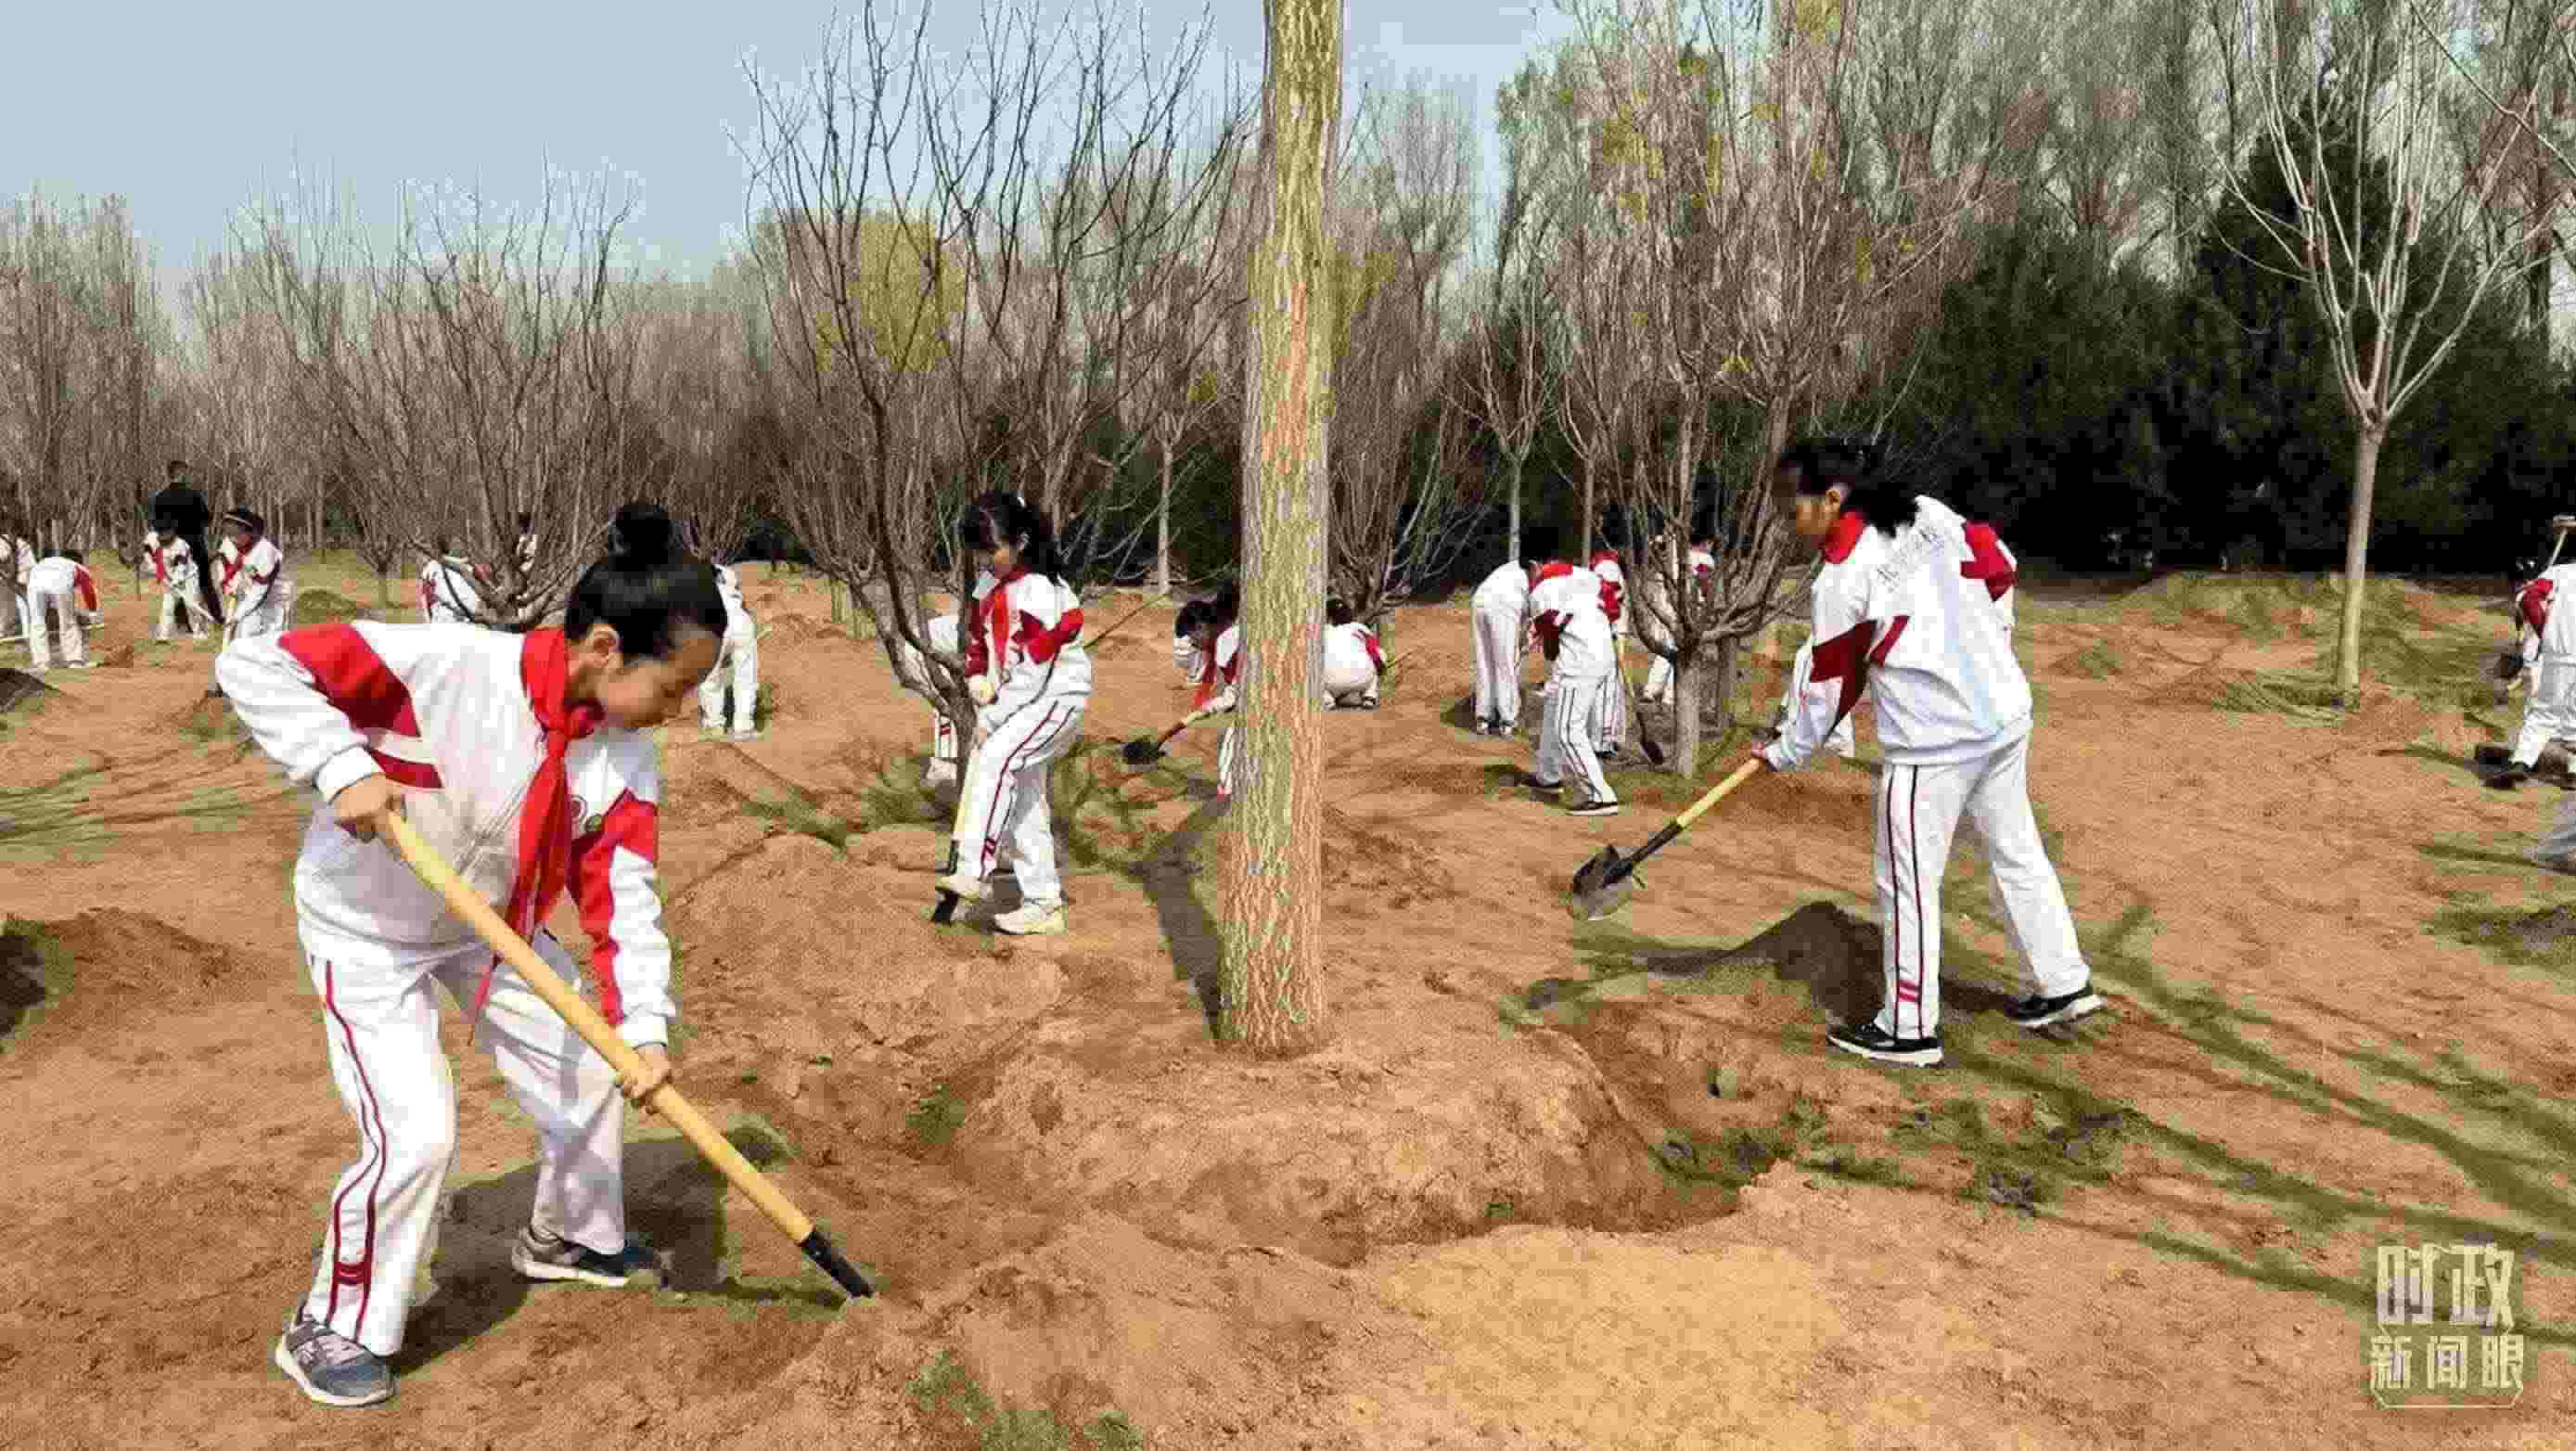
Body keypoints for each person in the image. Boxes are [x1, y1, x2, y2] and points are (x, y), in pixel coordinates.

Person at [217, 502, 721, 1409]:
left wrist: (643, 1028)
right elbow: (253, 664)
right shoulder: (450, 664)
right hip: (367, 928)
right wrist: (339, 765)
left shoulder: (624, 755)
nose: (677, 711)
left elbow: (624, 896)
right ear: (605, 649)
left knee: (593, 1066)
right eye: (673, 687)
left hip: (493, 926)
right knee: (416, 1132)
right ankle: (332, 1322)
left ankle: (569, 1234)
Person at [1754, 438, 2099, 1068]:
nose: (1788, 523)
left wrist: (1785, 751)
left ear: (1832, 499)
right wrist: (1991, 645)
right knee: (2016, 852)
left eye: (1791, 510)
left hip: (1932, 745)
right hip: (2001, 717)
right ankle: (2062, 982)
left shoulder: (1840, 580)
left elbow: (1831, 688)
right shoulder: (1928, 513)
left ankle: (1909, 1027)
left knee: (1907, 882)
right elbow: (2001, 567)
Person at [932, 492, 1092, 935]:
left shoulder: (1042, 590)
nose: (986, 560)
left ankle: (974, 870)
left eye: (993, 550)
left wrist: (990, 719)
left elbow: (1033, 671)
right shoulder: (989, 588)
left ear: (1020, 541)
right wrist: (977, 681)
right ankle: (1043, 904)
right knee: (1024, 801)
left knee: (995, 758)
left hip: (1054, 697)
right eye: (979, 552)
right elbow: (978, 646)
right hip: (1019, 701)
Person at [1527, 527, 1620, 816]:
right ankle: (1548, 777)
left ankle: (1601, 795)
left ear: (1534, 565)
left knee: (1568, 730)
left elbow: (1551, 645)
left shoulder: (1541, 590)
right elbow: (1613, 608)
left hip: (1579, 662)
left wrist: (1545, 642)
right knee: (1554, 707)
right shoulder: (1587, 575)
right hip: (1603, 652)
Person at [2494, 556, 2576, 790]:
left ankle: (2521, 762)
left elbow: (2528, 597)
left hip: (2560, 653)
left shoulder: (2559, 573)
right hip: (2562, 652)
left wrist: (2546, 633)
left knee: (2543, 712)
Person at [214, 509, 294, 698]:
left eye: (236, 534)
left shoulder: (265, 552)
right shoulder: (230, 542)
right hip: (250, 595)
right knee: (244, 639)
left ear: (251, 533)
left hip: (275, 600)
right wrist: (228, 584)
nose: (232, 538)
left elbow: (260, 591)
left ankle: (278, 687)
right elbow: (224, 565)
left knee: (274, 643)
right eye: (229, 533)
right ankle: (241, 685)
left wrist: (237, 616)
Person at [1173, 586, 1242, 797]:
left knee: (1230, 743)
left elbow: (1241, 685)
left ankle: (1226, 797)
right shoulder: (1220, 639)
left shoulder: (1230, 638)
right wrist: (1203, 702)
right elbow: (1215, 674)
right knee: (1228, 740)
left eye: (1192, 637)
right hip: (1243, 693)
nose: (1192, 643)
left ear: (1201, 626)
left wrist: (1216, 703)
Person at [1468, 540, 1533, 737]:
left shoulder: (1512, 567)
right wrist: (1526, 639)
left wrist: (1525, 634)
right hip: (1503, 604)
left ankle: (1484, 717)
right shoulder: (1537, 571)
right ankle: (1507, 719)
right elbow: (1532, 614)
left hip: (1480, 600)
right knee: (1506, 662)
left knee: (1484, 660)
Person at [153, 459, 224, 629]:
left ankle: (182, 622)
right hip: (196, 544)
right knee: (205, 583)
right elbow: (207, 519)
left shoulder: (160, 498)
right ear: (180, 474)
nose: (189, 476)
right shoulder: (194, 495)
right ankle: (216, 617)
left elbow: (156, 524)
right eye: (186, 473)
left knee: (178, 583)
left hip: (173, 547)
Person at [698, 553, 762, 740]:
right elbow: (742, 602)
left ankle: (714, 725)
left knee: (710, 678)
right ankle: (744, 727)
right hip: (742, 622)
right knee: (746, 677)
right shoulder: (728, 572)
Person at [1589, 530, 1632, 758]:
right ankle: (1602, 742)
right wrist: (1612, 627)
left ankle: (1606, 737)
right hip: (1607, 633)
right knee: (1607, 688)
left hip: (1604, 631)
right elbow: (1608, 598)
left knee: (1609, 688)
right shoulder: (1608, 566)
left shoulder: (1602, 564)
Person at [25, 547, 102, 672]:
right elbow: (88, 591)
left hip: (34, 586)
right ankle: (74, 661)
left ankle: (41, 664)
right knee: (68, 623)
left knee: (37, 623)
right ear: (79, 561)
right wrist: (93, 613)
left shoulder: (44, 562)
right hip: (60, 586)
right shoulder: (77, 566)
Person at [154, 528, 216, 641]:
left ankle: (199, 632)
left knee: (191, 605)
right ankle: (163, 634)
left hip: (189, 577)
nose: (164, 544)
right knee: (167, 606)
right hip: (171, 580)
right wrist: (166, 580)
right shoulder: (161, 548)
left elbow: (182, 565)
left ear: (172, 539)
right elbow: (161, 567)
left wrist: (176, 580)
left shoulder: (181, 545)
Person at [1320, 597, 1383, 709]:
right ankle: (1369, 696)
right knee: (1380, 654)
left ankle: (1327, 700)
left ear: (1328, 616)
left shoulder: (1321, 630)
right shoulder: (1360, 628)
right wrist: (1380, 669)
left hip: (1330, 682)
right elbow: (1374, 652)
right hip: (1362, 679)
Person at [417, 540, 483, 624]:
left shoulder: (429, 570)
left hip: (444, 618)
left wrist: (428, 620)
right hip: (465, 616)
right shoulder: (465, 565)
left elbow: (425, 599)